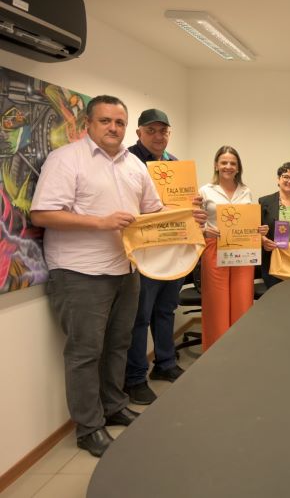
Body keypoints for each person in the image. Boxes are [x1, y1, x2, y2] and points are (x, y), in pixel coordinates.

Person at [31, 96, 159, 456]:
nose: (113, 128)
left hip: (126, 268)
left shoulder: (135, 165)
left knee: (118, 344)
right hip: (80, 272)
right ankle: (89, 428)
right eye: (105, 121)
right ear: (87, 123)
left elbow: (153, 211)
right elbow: (42, 214)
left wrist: (185, 217)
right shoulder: (66, 159)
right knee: (85, 352)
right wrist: (101, 222)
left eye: (119, 122)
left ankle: (114, 406)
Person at [123, 109, 185, 406]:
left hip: (171, 250)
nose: (158, 136)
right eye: (151, 131)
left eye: (163, 131)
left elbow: (180, 206)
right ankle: (136, 378)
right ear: (139, 133)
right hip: (144, 253)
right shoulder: (127, 162)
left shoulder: (175, 165)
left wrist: (191, 204)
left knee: (166, 310)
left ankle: (165, 363)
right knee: (140, 317)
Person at [199, 146, 266, 350]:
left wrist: (259, 229)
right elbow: (195, 223)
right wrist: (205, 231)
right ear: (216, 165)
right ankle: (216, 353)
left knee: (242, 300)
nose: (228, 166)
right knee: (217, 304)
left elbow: (249, 222)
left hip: (243, 250)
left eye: (233, 163)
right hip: (214, 248)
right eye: (224, 162)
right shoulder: (205, 191)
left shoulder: (246, 191)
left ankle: (240, 349)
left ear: (238, 168)